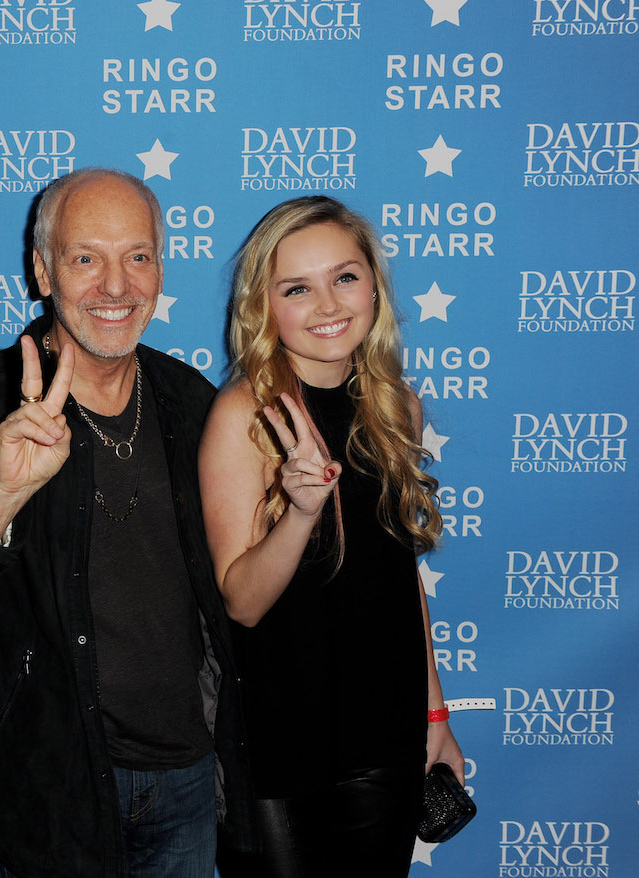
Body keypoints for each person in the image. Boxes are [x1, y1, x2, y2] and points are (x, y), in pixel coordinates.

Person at [0, 168, 254, 877]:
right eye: (86, 257)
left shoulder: (190, 401)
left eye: (137, 256)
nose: (116, 285)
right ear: (42, 271)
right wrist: (1, 496)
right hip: (47, 786)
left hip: (187, 780)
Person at [198, 196, 464, 877]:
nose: (328, 304)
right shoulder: (244, 415)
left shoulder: (393, 402)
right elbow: (243, 603)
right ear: (265, 304)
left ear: (373, 281)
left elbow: (401, 577)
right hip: (283, 746)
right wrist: (303, 511)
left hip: (389, 730)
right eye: (297, 288)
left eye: (344, 276)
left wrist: (435, 718)